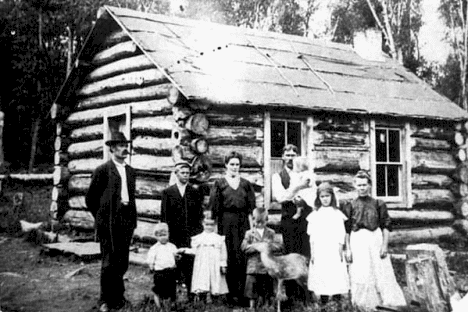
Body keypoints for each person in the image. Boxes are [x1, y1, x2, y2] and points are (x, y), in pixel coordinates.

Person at [85, 131, 137, 312]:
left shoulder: (130, 171)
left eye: (125, 145)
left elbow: (130, 197)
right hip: (108, 222)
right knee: (109, 261)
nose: (125, 149)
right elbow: (90, 199)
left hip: (126, 220)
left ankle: (119, 298)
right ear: (112, 148)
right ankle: (104, 300)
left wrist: (132, 221)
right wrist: (101, 219)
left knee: (122, 261)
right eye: (121, 146)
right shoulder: (103, 170)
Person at [342, 170, 407, 312]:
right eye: (359, 185)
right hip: (358, 240)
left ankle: (388, 302)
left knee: (381, 270)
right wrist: (348, 249)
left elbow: (386, 226)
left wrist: (384, 246)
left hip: (375, 238)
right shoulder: (350, 205)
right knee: (361, 271)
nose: (362, 188)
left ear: (369, 185)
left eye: (364, 185)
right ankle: (364, 303)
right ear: (355, 186)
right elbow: (346, 230)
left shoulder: (378, 203)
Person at [208, 151, 256, 306]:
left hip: (243, 223)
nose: (235, 167)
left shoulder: (246, 184)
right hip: (225, 222)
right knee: (227, 256)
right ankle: (229, 295)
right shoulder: (219, 183)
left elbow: (251, 209)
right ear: (226, 165)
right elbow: (214, 210)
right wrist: (215, 230)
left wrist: (251, 229)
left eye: (237, 164)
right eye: (232, 164)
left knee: (242, 256)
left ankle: (243, 295)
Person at [160, 160, 204, 298]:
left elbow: (198, 215)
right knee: (173, 265)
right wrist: (166, 235)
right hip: (174, 235)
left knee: (190, 265)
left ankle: (192, 296)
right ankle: (171, 297)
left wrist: (197, 234)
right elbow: (164, 216)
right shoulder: (168, 192)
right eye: (182, 173)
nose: (185, 175)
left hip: (191, 234)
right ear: (176, 173)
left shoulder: (194, 192)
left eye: (187, 173)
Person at [307, 183, 349, 308]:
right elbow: (312, 236)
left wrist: (340, 249)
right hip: (320, 248)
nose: (325, 199)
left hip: (333, 248)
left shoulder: (337, 214)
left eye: (327, 196)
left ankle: (337, 301)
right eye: (322, 196)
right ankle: (324, 302)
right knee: (322, 273)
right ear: (318, 198)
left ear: (332, 197)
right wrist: (313, 253)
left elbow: (341, 233)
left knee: (335, 272)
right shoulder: (315, 215)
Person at [272, 145, 312, 258]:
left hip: (306, 217)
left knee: (306, 252)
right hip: (289, 219)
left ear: (298, 157)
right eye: (287, 155)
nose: (290, 158)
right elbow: (280, 197)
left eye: (293, 155)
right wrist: (298, 187)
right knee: (291, 254)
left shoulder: (306, 174)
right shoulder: (277, 176)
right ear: (283, 157)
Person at [241, 207, 278, 310]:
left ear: (267, 220)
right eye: (257, 222)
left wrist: (268, 246)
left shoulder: (271, 232)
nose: (260, 224)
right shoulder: (249, 233)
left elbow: (279, 246)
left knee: (268, 286)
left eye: (262, 222)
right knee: (251, 286)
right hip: (254, 265)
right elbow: (244, 247)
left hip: (267, 265)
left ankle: (268, 305)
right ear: (253, 220)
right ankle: (252, 306)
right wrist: (256, 246)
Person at [186, 214, 229, 302]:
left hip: (215, 262)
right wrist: (184, 250)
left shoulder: (219, 239)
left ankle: (215, 297)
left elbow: (223, 253)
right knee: (202, 278)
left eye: (211, 225)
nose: (209, 227)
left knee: (215, 278)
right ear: (202, 224)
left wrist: (223, 264)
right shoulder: (198, 238)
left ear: (215, 225)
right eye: (207, 224)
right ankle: (202, 298)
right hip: (203, 262)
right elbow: (194, 251)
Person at [146, 223, 179, 309]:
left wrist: (177, 257)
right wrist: (151, 266)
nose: (163, 237)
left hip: (171, 271)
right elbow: (150, 259)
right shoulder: (154, 248)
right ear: (156, 236)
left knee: (172, 288)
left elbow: (176, 255)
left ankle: (173, 304)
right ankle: (159, 306)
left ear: (168, 234)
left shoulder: (172, 246)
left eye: (165, 235)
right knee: (159, 289)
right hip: (160, 272)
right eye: (160, 235)